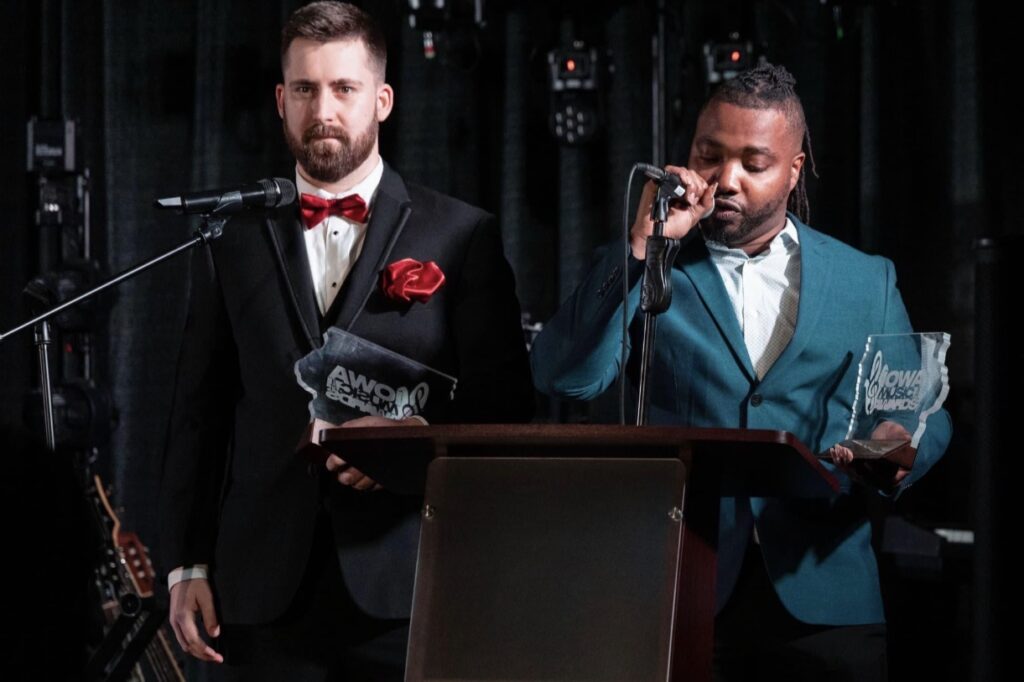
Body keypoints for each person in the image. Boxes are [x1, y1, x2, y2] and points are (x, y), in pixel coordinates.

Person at [530, 63, 951, 680]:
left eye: (754, 164)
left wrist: (900, 443)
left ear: (794, 169)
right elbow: (565, 377)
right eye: (709, 155)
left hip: (825, 594)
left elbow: (923, 411)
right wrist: (643, 246)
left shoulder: (866, 279)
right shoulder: (648, 264)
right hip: (679, 588)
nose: (725, 180)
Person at [159, 2, 534, 679]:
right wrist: (187, 564)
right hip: (260, 588)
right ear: (281, 100)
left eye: (344, 88)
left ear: (382, 100)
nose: (323, 109)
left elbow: (507, 407)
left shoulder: (462, 235)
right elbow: (198, 412)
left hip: (410, 582)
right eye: (305, 89)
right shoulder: (229, 239)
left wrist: (411, 441)